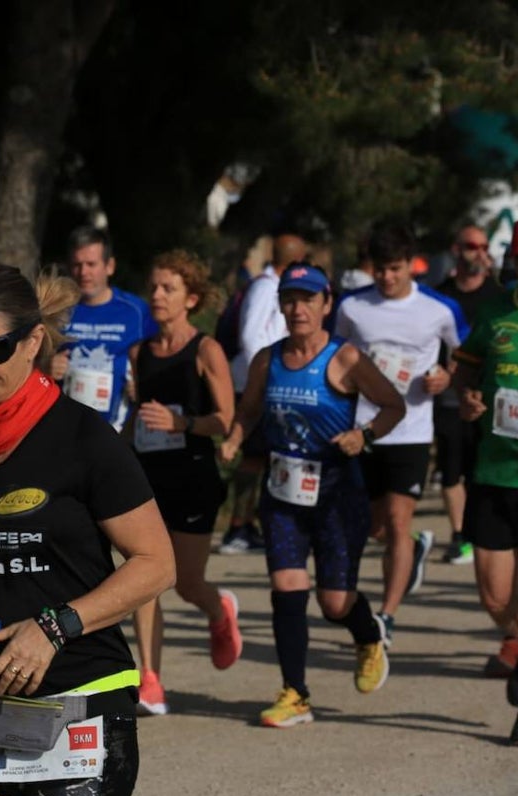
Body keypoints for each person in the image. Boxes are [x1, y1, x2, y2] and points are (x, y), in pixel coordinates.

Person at [0, 263, 175, 796]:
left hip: (78, 699)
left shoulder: (84, 440)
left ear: (32, 342)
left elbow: (156, 564)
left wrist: (53, 626)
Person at [221, 263, 404, 727]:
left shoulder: (345, 359)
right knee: (286, 588)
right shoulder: (269, 358)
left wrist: (364, 436)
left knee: (335, 603)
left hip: (338, 496)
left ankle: (368, 635)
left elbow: (393, 405)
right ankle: (295, 694)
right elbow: (248, 410)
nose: (297, 308)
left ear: (326, 304)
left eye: (307, 299)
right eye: (289, 299)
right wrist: (234, 438)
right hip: (283, 495)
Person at [334, 224, 468, 646]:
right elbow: (334, 356)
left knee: (395, 521)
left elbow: (466, 353)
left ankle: (386, 617)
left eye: (395, 269)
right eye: (379, 270)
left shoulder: (439, 308)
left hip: (411, 429)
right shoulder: (353, 307)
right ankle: (415, 547)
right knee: (374, 527)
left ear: (412, 265)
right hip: (364, 428)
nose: (387, 278)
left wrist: (446, 376)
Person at [125, 249, 238, 715]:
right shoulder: (140, 352)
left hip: (193, 476)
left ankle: (217, 609)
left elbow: (225, 420)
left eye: (168, 288)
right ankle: (150, 680)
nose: (157, 295)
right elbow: (137, 416)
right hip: (147, 479)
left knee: (187, 583)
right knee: (145, 579)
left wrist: (182, 425)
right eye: (153, 286)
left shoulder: (206, 350)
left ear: (190, 298)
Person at [221, 233, 308, 555]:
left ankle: (252, 523)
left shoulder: (275, 287)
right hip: (256, 383)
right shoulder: (265, 288)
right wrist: (271, 374)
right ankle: (237, 528)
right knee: (253, 458)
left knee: (264, 457)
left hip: (271, 382)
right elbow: (251, 336)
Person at [452, 283, 518, 679]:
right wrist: (466, 398)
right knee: (494, 597)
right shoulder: (493, 313)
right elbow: (462, 371)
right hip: (493, 472)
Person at [434, 225, 501, 567]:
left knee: (481, 468)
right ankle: (460, 535)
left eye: (484, 246)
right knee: (450, 471)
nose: (479, 252)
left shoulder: (497, 295)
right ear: (456, 249)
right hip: (450, 397)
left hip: (494, 402)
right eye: (472, 246)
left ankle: (479, 531)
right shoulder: (440, 295)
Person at [51, 227, 156, 430]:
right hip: (68, 428)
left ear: (110, 266)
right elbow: (31, 361)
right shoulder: (58, 311)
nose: (83, 273)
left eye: (91, 264)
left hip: (119, 430)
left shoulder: (136, 311)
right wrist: (48, 365)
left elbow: (160, 358)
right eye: (77, 265)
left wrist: (144, 384)